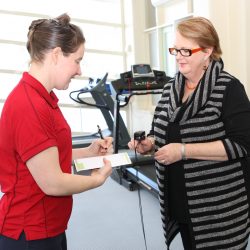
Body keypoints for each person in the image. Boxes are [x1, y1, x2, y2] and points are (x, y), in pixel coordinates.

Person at [128, 17, 250, 250]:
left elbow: (243, 144)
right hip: (180, 200)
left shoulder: (229, 88)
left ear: (207, 51)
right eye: (175, 49)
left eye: (186, 49)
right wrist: (150, 143)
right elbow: (160, 132)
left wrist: (184, 151)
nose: (178, 56)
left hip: (217, 207)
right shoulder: (169, 89)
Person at [0, 13, 113, 250]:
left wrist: (87, 152)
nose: (79, 70)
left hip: (48, 226)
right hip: (29, 233)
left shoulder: (44, 99)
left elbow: (47, 157)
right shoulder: (28, 105)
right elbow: (52, 182)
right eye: (77, 60)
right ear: (56, 54)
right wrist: (96, 180)